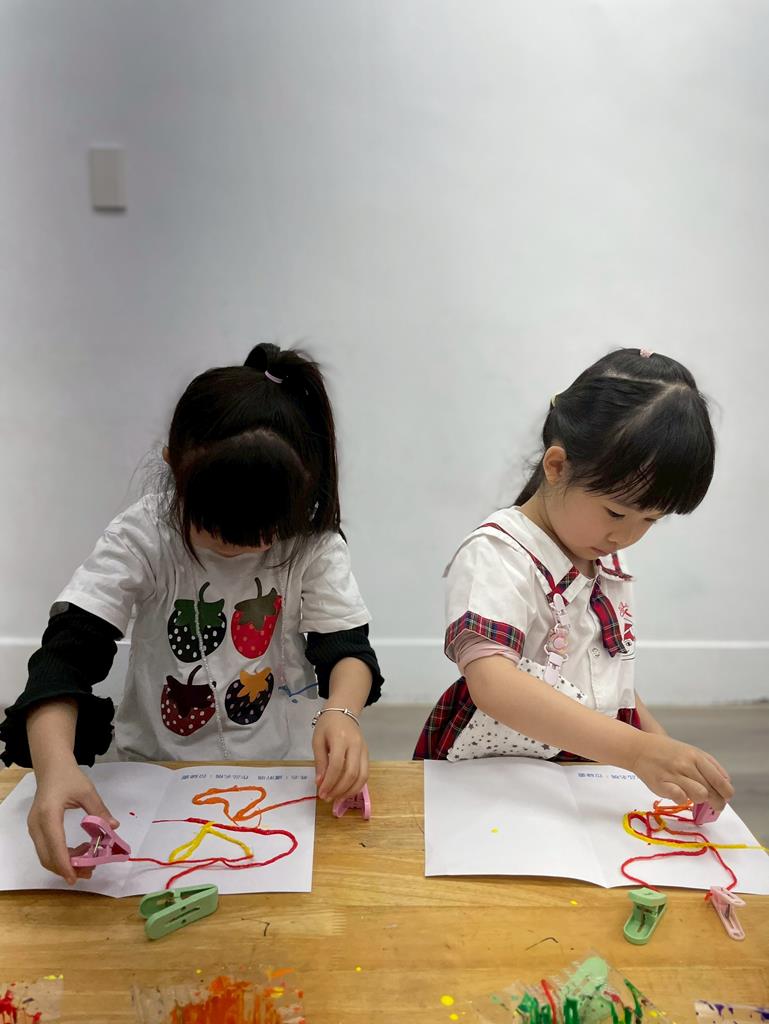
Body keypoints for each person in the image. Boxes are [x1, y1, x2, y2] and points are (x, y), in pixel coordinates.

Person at [1, 343, 383, 883]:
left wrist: (342, 713)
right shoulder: (143, 536)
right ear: (173, 470)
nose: (244, 547)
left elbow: (346, 647)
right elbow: (66, 656)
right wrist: (55, 768)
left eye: (266, 532)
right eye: (217, 529)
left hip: (280, 769)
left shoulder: (312, 540)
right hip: (155, 767)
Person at [414, 348, 733, 816]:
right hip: (494, 773)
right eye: (616, 512)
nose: (626, 536)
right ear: (558, 466)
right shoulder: (498, 553)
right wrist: (638, 751)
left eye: (650, 519)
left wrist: (664, 748)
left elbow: (604, 673)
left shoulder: (599, 552)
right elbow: (493, 684)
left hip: (581, 767)